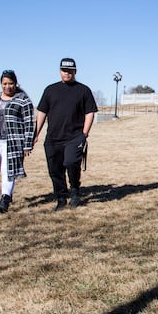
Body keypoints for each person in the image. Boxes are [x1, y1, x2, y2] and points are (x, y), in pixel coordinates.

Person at [34, 57, 98, 210]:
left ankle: (75, 191)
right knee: (55, 170)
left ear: (75, 71)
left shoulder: (83, 90)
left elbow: (90, 113)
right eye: (64, 70)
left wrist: (84, 134)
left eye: (70, 71)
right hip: (53, 138)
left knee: (71, 162)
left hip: (74, 136)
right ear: (60, 71)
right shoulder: (50, 90)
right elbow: (42, 113)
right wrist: (35, 134)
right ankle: (61, 198)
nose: (67, 73)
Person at [0, 70, 35, 213]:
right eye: (5, 84)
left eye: (11, 83)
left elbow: (29, 123)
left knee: (7, 170)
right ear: (1, 84)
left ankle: (4, 199)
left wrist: (28, 144)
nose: (7, 87)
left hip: (14, 142)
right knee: (2, 169)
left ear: (16, 84)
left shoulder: (23, 100)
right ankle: (8, 195)